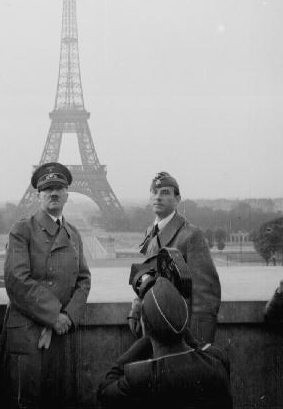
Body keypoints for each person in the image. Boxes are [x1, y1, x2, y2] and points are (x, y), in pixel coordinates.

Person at [1, 162, 91, 409]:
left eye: (59, 187)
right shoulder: (21, 230)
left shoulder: (73, 233)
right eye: (47, 188)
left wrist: (67, 318)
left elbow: (84, 279)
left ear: (67, 194)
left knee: (59, 399)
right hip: (29, 331)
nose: (54, 192)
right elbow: (17, 280)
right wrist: (54, 316)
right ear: (38, 194)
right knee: (26, 400)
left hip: (61, 331)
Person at [98, 277, 232, 409]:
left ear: (144, 326)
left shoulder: (139, 377)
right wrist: (177, 325)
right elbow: (199, 351)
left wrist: (146, 338)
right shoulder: (217, 362)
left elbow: (104, 392)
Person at [128, 171, 221, 343]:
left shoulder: (191, 235)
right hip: (152, 330)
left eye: (165, 192)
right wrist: (136, 308)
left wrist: (200, 344)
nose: (158, 197)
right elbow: (147, 277)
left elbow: (205, 297)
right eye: (154, 192)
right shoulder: (151, 232)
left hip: (179, 338)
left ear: (177, 200)